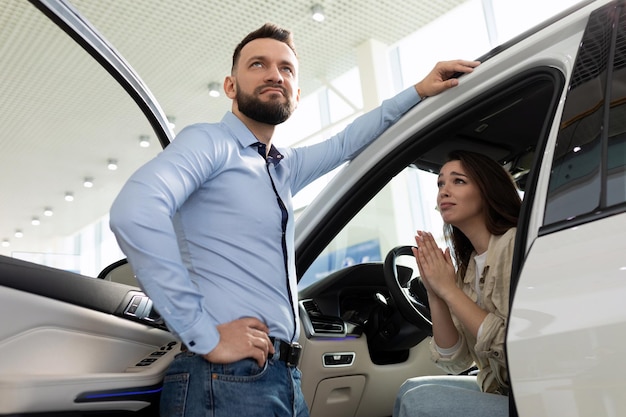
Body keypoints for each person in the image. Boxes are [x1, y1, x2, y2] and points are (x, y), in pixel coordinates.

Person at [110, 22, 479, 417]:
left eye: (286, 69)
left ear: (296, 94)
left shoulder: (282, 167)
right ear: (231, 86)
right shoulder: (210, 143)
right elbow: (135, 212)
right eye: (258, 64)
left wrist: (419, 91)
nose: (274, 74)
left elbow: (347, 142)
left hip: (282, 377)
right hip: (223, 378)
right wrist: (202, 333)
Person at [393, 150, 522, 417]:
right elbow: (456, 360)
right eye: (440, 183)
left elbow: (513, 346)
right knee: (409, 389)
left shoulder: (514, 244)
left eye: (458, 181)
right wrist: (436, 292)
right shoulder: (469, 265)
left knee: (419, 401)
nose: (444, 191)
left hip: (528, 396)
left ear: (487, 191)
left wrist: (450, 290)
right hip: (498, 390)